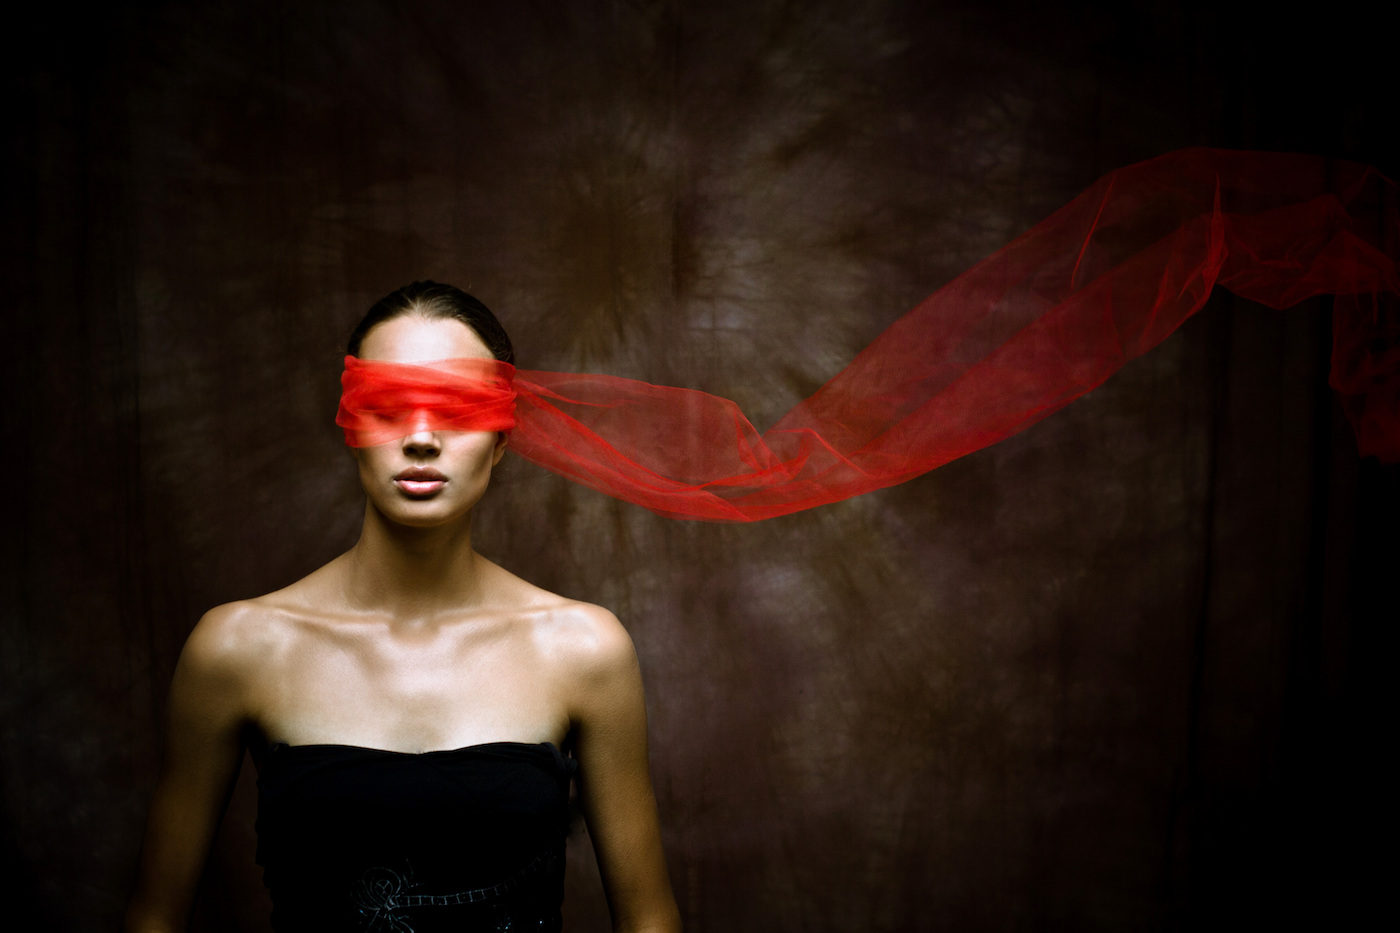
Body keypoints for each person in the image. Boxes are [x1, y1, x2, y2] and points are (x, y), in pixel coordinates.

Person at [125, 282, 681, 933]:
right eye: (386, 406)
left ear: (502, 439)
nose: (421, 437)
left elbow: (648, 918)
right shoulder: (240, 648)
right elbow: (155, 916)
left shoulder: (583, 650)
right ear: (350, 426)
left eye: (458, 408)